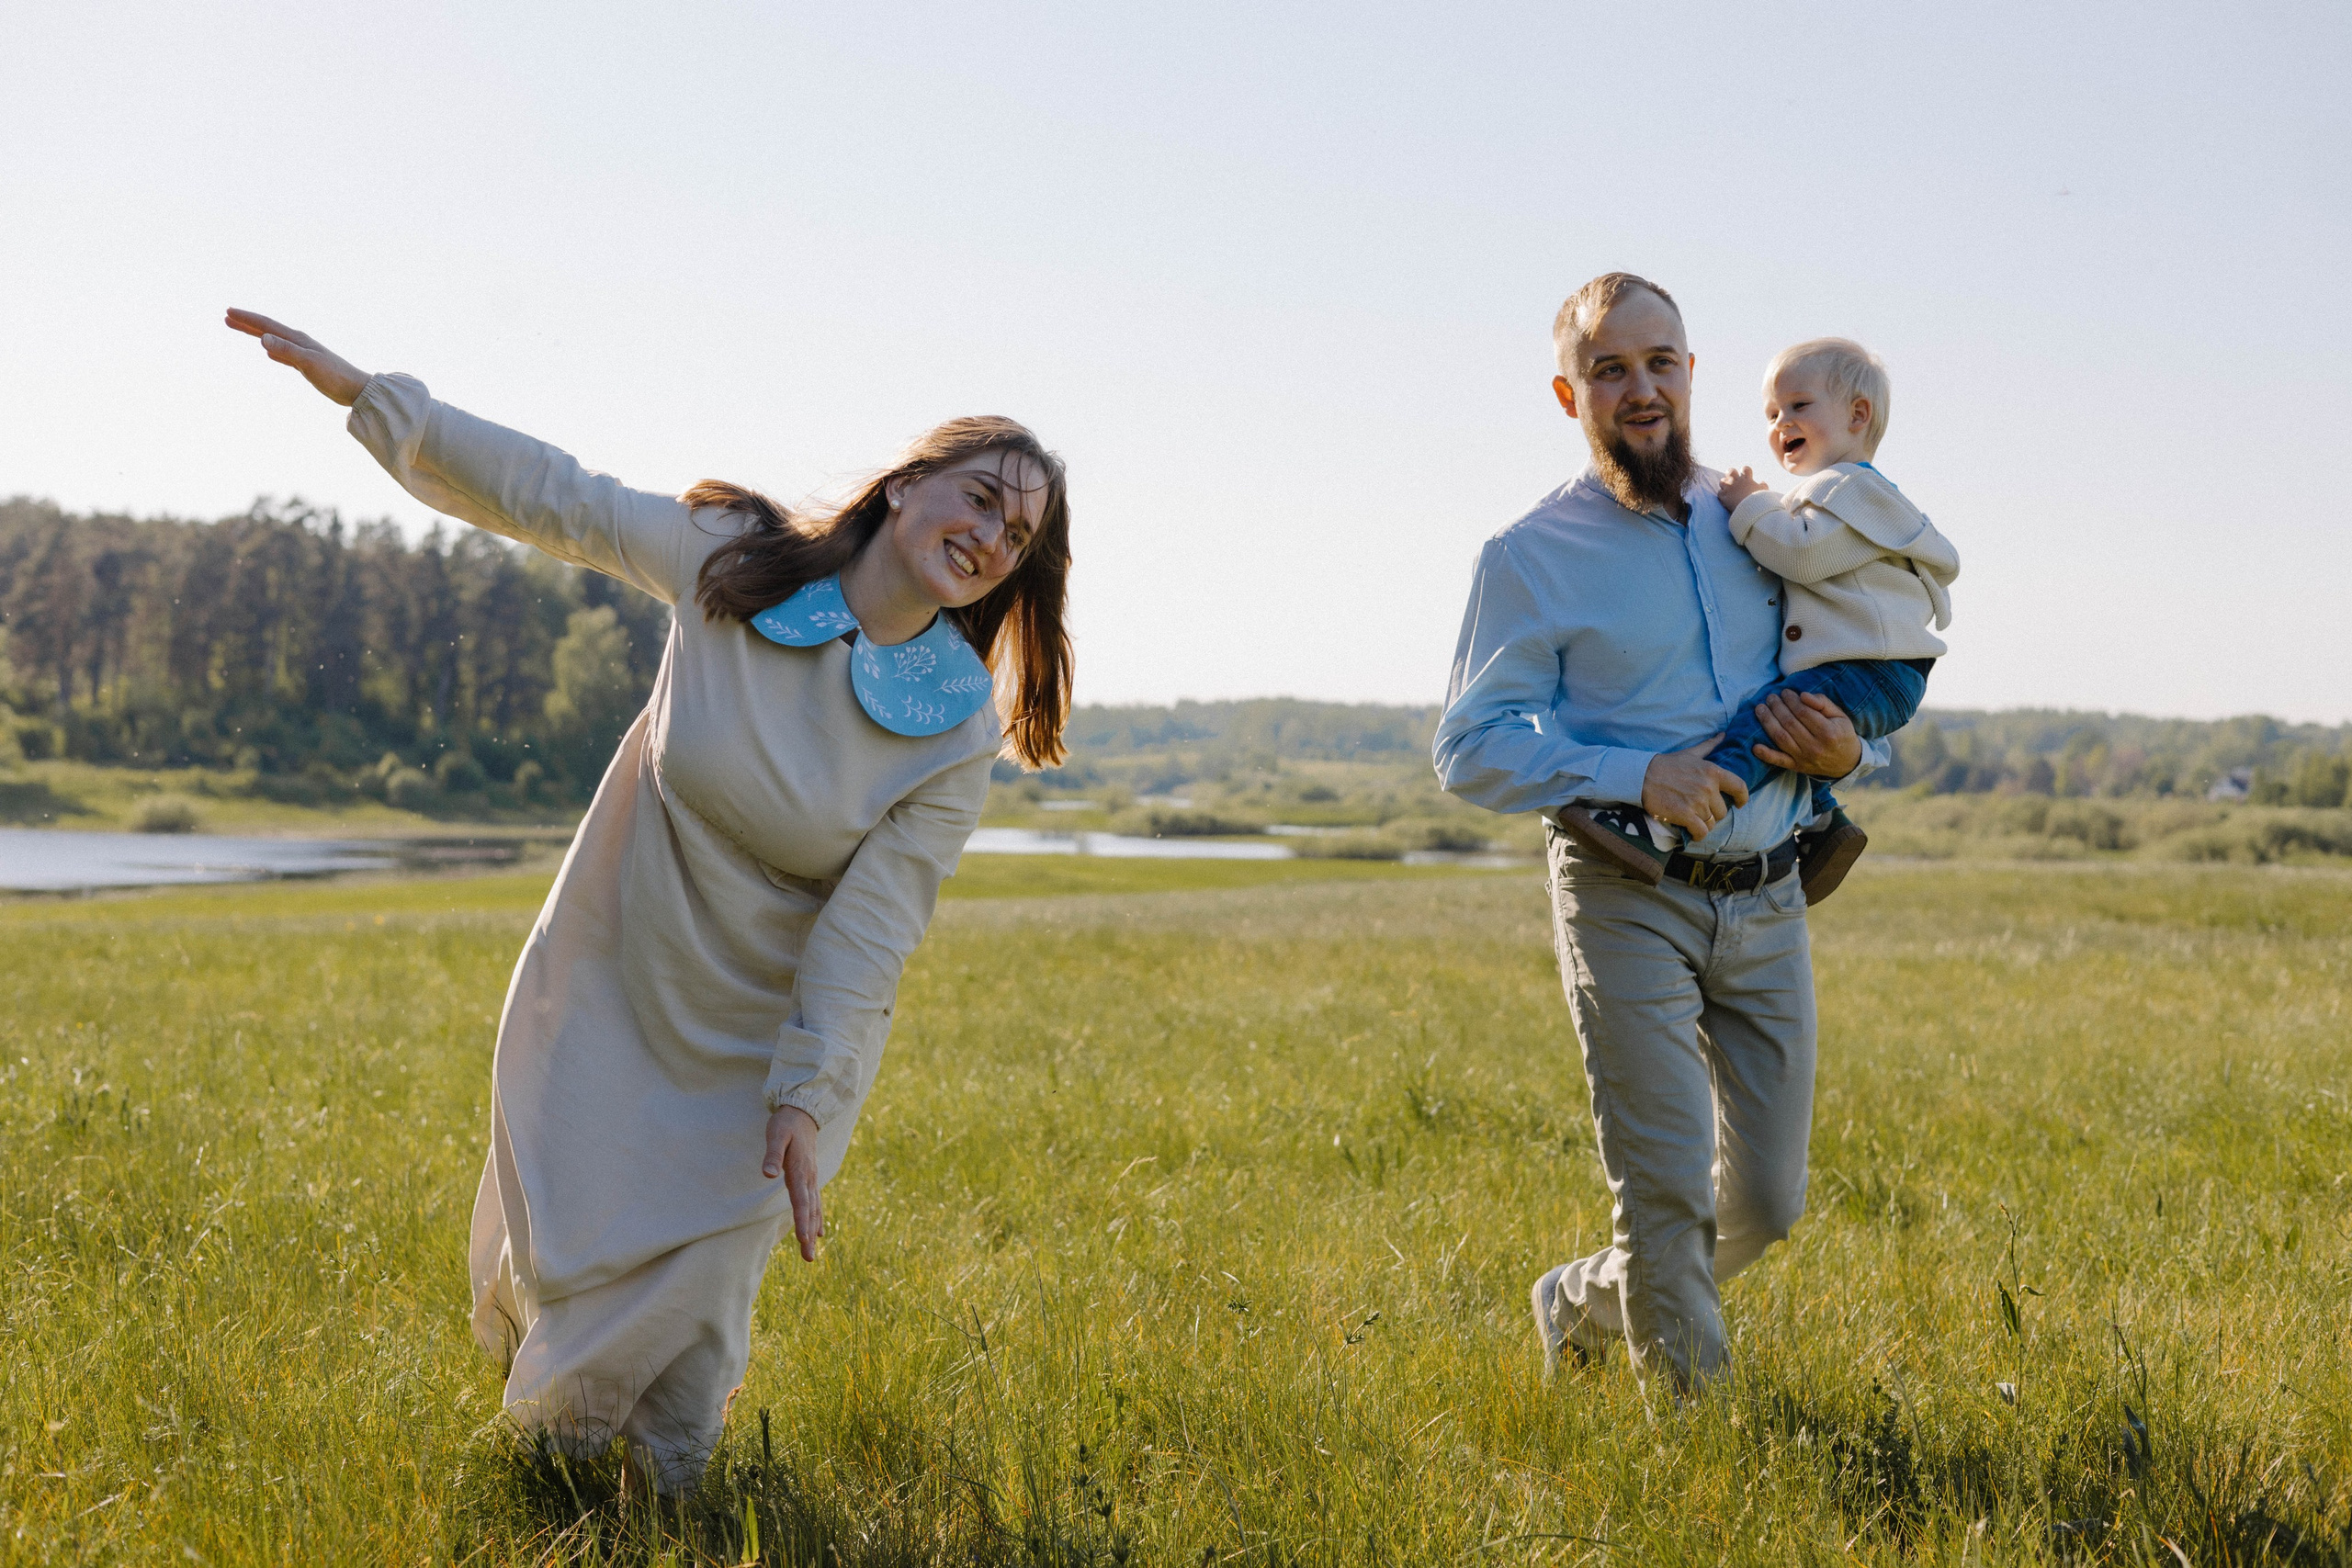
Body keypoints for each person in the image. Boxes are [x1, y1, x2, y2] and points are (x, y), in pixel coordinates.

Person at [225, 309, 1072, 1486]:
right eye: (979, 497)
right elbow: (559, 498)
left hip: (759, 1040)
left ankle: (631, 1496)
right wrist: (379, 401)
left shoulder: (954, 728)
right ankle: (556, 1481)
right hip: (617, 969)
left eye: (1018, 531)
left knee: (693, 1306)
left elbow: (872, 932)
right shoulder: (735, 559)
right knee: (570, 1248)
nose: (990, 535)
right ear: (906, 486)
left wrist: (806, 1098)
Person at [1431, 274, 1887, 1395]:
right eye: (1609, 368)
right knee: (1668, 1187)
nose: (1640, 388)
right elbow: (1470, 746)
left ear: (1692, 371)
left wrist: (1849, 754)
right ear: (1567, 392)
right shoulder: (1529, 556)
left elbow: (1852, 667)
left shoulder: (1768, 525)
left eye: (1660, 362)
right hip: (1625, 891)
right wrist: (1640, 771)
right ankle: (1698, 1460)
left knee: (1767, 1202)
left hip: (1773, 893)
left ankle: (1580, 1299)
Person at [1566, 337, 1959, 901]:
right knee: (1791, 729)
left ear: (1857, 414)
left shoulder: (1848, 489)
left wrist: (1750, 504)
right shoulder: (1849, 496)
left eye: (1798, 406)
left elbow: (1802, 554)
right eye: (1772, 414)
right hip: (1880, 670)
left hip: (1870, 667)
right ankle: (1824, 823)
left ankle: (1664, 829)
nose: (1781, 423)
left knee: (1766, 723)